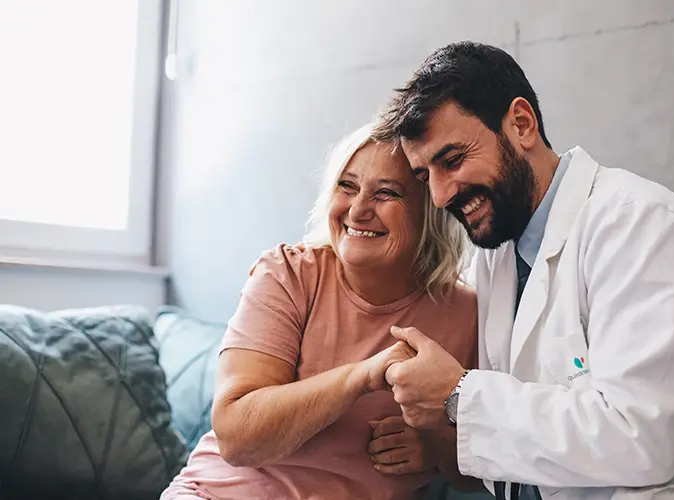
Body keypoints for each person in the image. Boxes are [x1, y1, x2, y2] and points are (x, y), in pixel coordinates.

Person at [372, 41, 674, 499]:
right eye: (424, 177)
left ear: (521, 124)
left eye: (453, 161)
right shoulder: (498, 251)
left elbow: (639, 438)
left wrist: (458, 394)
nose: (439, 196)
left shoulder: (641, 226)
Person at [160, 124, 482, 500]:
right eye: (347, 187)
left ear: (429, 211)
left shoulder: (468, 314)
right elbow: (235, 437)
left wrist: (435, 448)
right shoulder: (287, 274)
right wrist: (361, 377)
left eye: (386, 193)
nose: (358, 210)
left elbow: (490, 467)